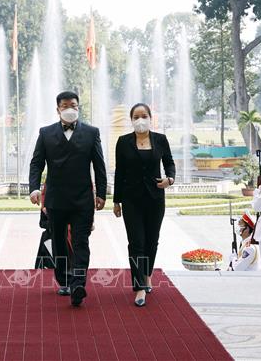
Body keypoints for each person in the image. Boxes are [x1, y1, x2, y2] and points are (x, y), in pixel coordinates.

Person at [28, 91, 107, 307]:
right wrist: (34, 188)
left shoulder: (92, 133)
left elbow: (99, 165)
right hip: (56, 199)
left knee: (81, 241)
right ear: (58, 109)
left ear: (78, 107)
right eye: (65, 105)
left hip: (83, 199)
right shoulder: (46, 133)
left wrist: (101, 193)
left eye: (73, 105)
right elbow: (36, 163)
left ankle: (78, 283)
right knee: (60, 242)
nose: (69, 108)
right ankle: (63, 280)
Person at [113, 103, 175, 307]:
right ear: (131, 120)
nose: (140, 120)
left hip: (155, 198)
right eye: (136, 116)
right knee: (136, 242)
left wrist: (170, 179)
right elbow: (120, 172)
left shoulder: (160, 139)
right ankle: (139, 287)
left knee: (152, 240)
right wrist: (116, 201)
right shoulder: (123, 142)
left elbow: (169, 163)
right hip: (131, 199)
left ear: (150, 118)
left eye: (144, 116)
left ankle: (147, 274)